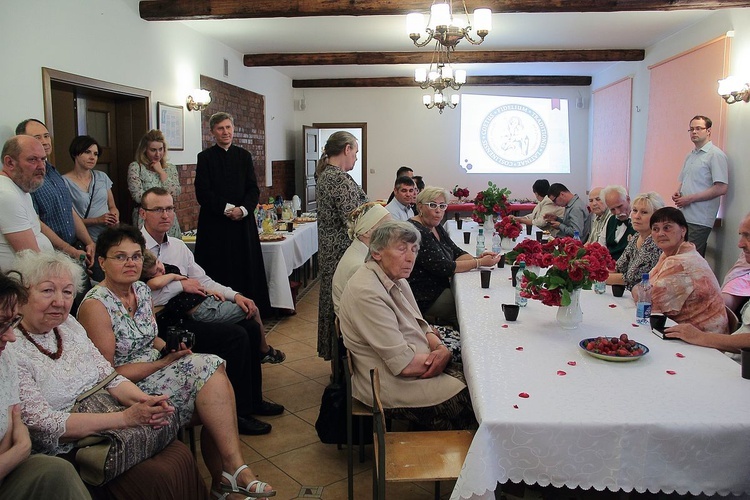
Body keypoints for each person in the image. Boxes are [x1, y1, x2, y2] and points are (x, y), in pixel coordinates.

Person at [77, 228, 276, 497]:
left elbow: (150, 339)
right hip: (123, 388)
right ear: (102, 262)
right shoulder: (96, 305)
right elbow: (108, 374)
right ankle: (231, 475)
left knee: (211, 374)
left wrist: (173, 350)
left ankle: (229, 475)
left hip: (156, 368)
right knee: (212, 382)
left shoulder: (141, 291)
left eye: (136, 256)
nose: (131, 263)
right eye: (120, 257)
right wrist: (164, 363)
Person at [11, 250, 209, 500]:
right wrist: (125, 418)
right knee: (157, 475)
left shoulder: (68, 326)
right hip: (68, 449)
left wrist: (144, 402)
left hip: (106, 428)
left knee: (177, 454)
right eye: (48, 290)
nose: (59, 301)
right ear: (22, 294)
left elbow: (109, 377)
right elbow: (44, 424)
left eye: (68, 292)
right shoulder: (9, 346)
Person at [140, 188, 283, 434]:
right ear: (143, 213)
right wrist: (180, 284)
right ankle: (236, 415)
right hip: (162, 321)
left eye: (170, 209)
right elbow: (142, 294)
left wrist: (236, 295)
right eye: (158, 209)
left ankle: (252, 401)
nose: (166, 215)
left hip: (188, 310)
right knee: (235, 336)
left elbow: (204, 281)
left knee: (248, 324)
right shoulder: (135, 250)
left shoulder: (177, 246)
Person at [338, 221, 476, 431]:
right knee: (472, 400)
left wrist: (440, 348)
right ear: (376, 252)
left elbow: (420, 324)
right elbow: (404, 365)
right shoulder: (367, 292)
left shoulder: (396, 277)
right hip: (387, 383)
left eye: (414, 249)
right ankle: (442, 457)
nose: (411, 258)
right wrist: (443, 355)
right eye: (402, 249)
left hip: (416, 362)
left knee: (476, 381)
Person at [0, 272, 91, 500]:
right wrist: (19, 452)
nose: (12, 337)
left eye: (13, 322)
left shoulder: (6, 356)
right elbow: (26, 435)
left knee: (57, 471)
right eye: (2, 324)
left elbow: (13, 422)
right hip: (12, 461)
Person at [140, 250, 285, 364]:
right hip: (184, 317)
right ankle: (264, 350)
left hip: (205, 302)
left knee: (251, 323)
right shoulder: (148, 282)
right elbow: (154, 288)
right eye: (156, 272)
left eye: (159, 263)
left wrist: (233, 295)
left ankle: (254, 398)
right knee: (247, 320)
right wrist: (177, 281)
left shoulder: (176, 248)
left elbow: (201, 281)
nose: (161, 269)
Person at [194, 112, 270, 317]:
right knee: (218, 268)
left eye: (228, 127)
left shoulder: (244, 156)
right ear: (212, 132)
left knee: (245, 269)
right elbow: (203, 193)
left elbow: (253, 189)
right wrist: (228, 208)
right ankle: (221, 310)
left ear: (233, 129)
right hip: (216, 224)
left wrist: (243, 209)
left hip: (242, 224)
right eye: (220, 128)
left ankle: (252, 309)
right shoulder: (205, 158)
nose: (225, 132)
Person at [407, 187, 501, 327]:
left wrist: (478, 258)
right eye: (432, 205)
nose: (438, 211)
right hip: (427, 295)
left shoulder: (434, 225)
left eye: (442, 206)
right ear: (420, 206)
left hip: (441, 287)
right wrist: (479, 262)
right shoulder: (417, 232)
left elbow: (455, 251)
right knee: (470, 309)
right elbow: (445, 267)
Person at [315, 131, 368, 360]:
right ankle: (341, 365)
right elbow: (354, 217)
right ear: (346, 149)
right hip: (340, 251)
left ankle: (338, 364)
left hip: (333, 249)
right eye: (355, 152)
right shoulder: (337, 178)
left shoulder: (331, 175)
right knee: (341, 307)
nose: (356, 157)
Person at [17, 119, 95, 268]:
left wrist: (89, 242)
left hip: (75, 250)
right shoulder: (26, 178)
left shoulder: (53, 171)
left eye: (46, 136)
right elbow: (35, 221)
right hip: (52, 255)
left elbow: (69, 209)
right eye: (37, 137)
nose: (45, 141)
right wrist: (69, 250)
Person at [637, 207, 727, 334]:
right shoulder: (670, 254)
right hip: (685, 331)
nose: (660, 233)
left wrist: (641, 291)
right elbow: (644, 290)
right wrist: (641, 291)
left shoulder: (681, 262)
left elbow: (646, 302)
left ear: (683, 230)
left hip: (705, 342)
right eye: (655, 229)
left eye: (667, 228)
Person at [666, 214, 750, 350]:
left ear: (683, 231)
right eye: (741, 235)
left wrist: (700, 337)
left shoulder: (687, 259)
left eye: (748, 236)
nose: (740, 244)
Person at [672, 115, 729, 257]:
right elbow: (685, 181)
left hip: (700, 218)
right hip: (684, 216)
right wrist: (678, 193)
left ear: (708, 131)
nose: (694, 132)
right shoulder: (690, 155)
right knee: (679, 259)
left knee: (691, 261)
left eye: (698, 128)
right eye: (691, 129)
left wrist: (690, 198)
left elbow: (721, 187)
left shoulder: (715, 155)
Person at [0, 136, 54, 271]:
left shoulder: (20, 188)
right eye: (33, 159)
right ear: (10, 162)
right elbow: (31, 258)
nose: (41, 166)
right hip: (21, 285)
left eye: (43, 159)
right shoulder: (6, 194)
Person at [332, 202, 391, 315]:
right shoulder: (358, 266)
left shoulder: (363, 251)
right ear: (367, 232)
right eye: (386, 227)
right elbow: (369, 310)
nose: (392, 232)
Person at [63, 135, 119, 243]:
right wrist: (97, 220)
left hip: (108, 237)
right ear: (75, 153)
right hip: (84, 238)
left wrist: (114, 217)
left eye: (95, 154)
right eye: (87, 152)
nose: (92, 157)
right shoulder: (64, 182)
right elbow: (68, 220)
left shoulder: (102, 177)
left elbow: (112, 206)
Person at [127, 129, 182, 237]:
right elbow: (138, 196)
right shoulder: (136, 167)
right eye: (153, 150)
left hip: (168, 217)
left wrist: (161, 172)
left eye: (160, 149)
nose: (158, 154)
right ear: (145, 150)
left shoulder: (170, 168)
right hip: (146, 217)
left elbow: (176, 192)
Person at [605, 192, 664, 290]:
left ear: (656, 217)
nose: (637, 216)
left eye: (644, 212)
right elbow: (619, 266)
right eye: (635, 210)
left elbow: (630, 279)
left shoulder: (655, 242)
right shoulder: (637, 236)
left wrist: (600, 277)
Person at [599, 185, 636, 261]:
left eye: (619, 206)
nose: (617, 212)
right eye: (612, 209)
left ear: (628, 199)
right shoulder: (610, 219)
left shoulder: (638, 221)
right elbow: (601, 246)